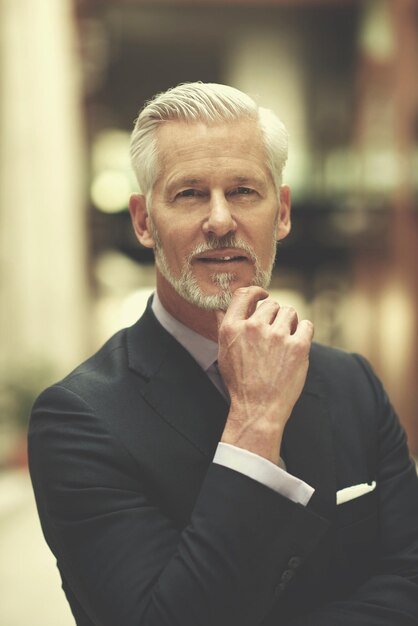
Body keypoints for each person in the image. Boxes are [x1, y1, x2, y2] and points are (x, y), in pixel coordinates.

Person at [28, 82, 418, 626]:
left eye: (242, 191)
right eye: (189, 193)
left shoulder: (354, 383)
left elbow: (409, 582)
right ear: (144, 221)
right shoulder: (78, 419)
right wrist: (255, 421)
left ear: (280, 212)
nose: (218, 220)